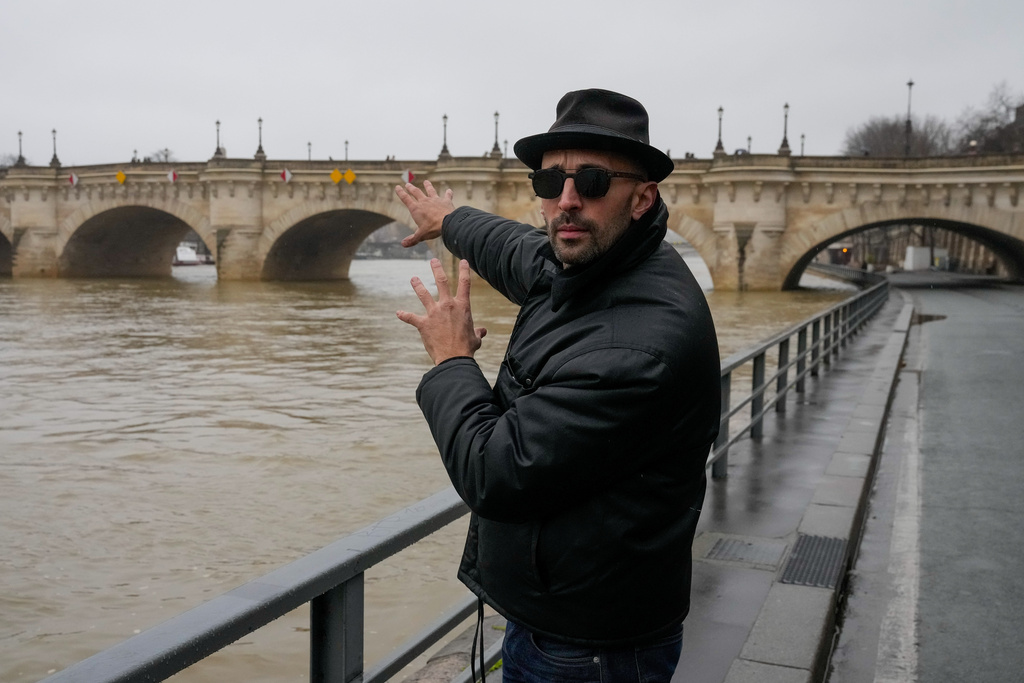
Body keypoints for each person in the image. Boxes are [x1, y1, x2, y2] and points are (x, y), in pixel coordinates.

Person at [394, 89, 721, 683]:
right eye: (550, 184)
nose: (567, 202)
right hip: (568, 606)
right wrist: (452, 222)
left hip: (586, 644)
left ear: (643, 197)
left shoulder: (635, 346)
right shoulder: (592, 262)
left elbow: (496, 473)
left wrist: (451, 361)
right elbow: (519, 251)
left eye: (593, 182)